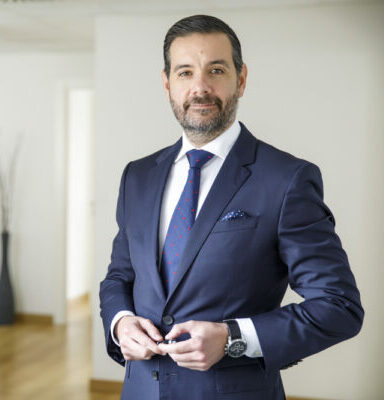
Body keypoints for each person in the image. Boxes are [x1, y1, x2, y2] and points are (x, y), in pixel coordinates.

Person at [99, 14, 363, 400]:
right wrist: (121, 322)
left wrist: (233, 338)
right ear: (167, 83)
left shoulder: (286, 179)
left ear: (241, 79)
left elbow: (339, 306)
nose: (200, 87)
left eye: (216, 70)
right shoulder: (137, 177)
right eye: (185, 72)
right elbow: (119, 277)